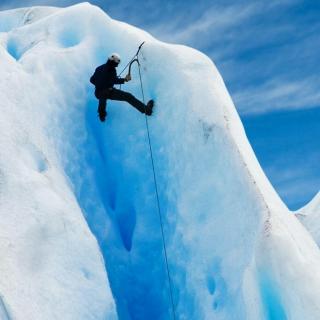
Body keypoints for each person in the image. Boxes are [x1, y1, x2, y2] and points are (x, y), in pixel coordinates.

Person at [90, 53, 154, 122]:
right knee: (128, 96)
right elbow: (114, 80)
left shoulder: (99, 68)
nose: (117, 65)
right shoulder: (112, 70)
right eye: (117, 63)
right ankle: (148, 111)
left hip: (98, 93)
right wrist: (125, 79)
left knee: (103, 97)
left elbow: (92, 80)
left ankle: (102, 115)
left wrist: (101, 85)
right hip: (108, 92)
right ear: (114, 62)